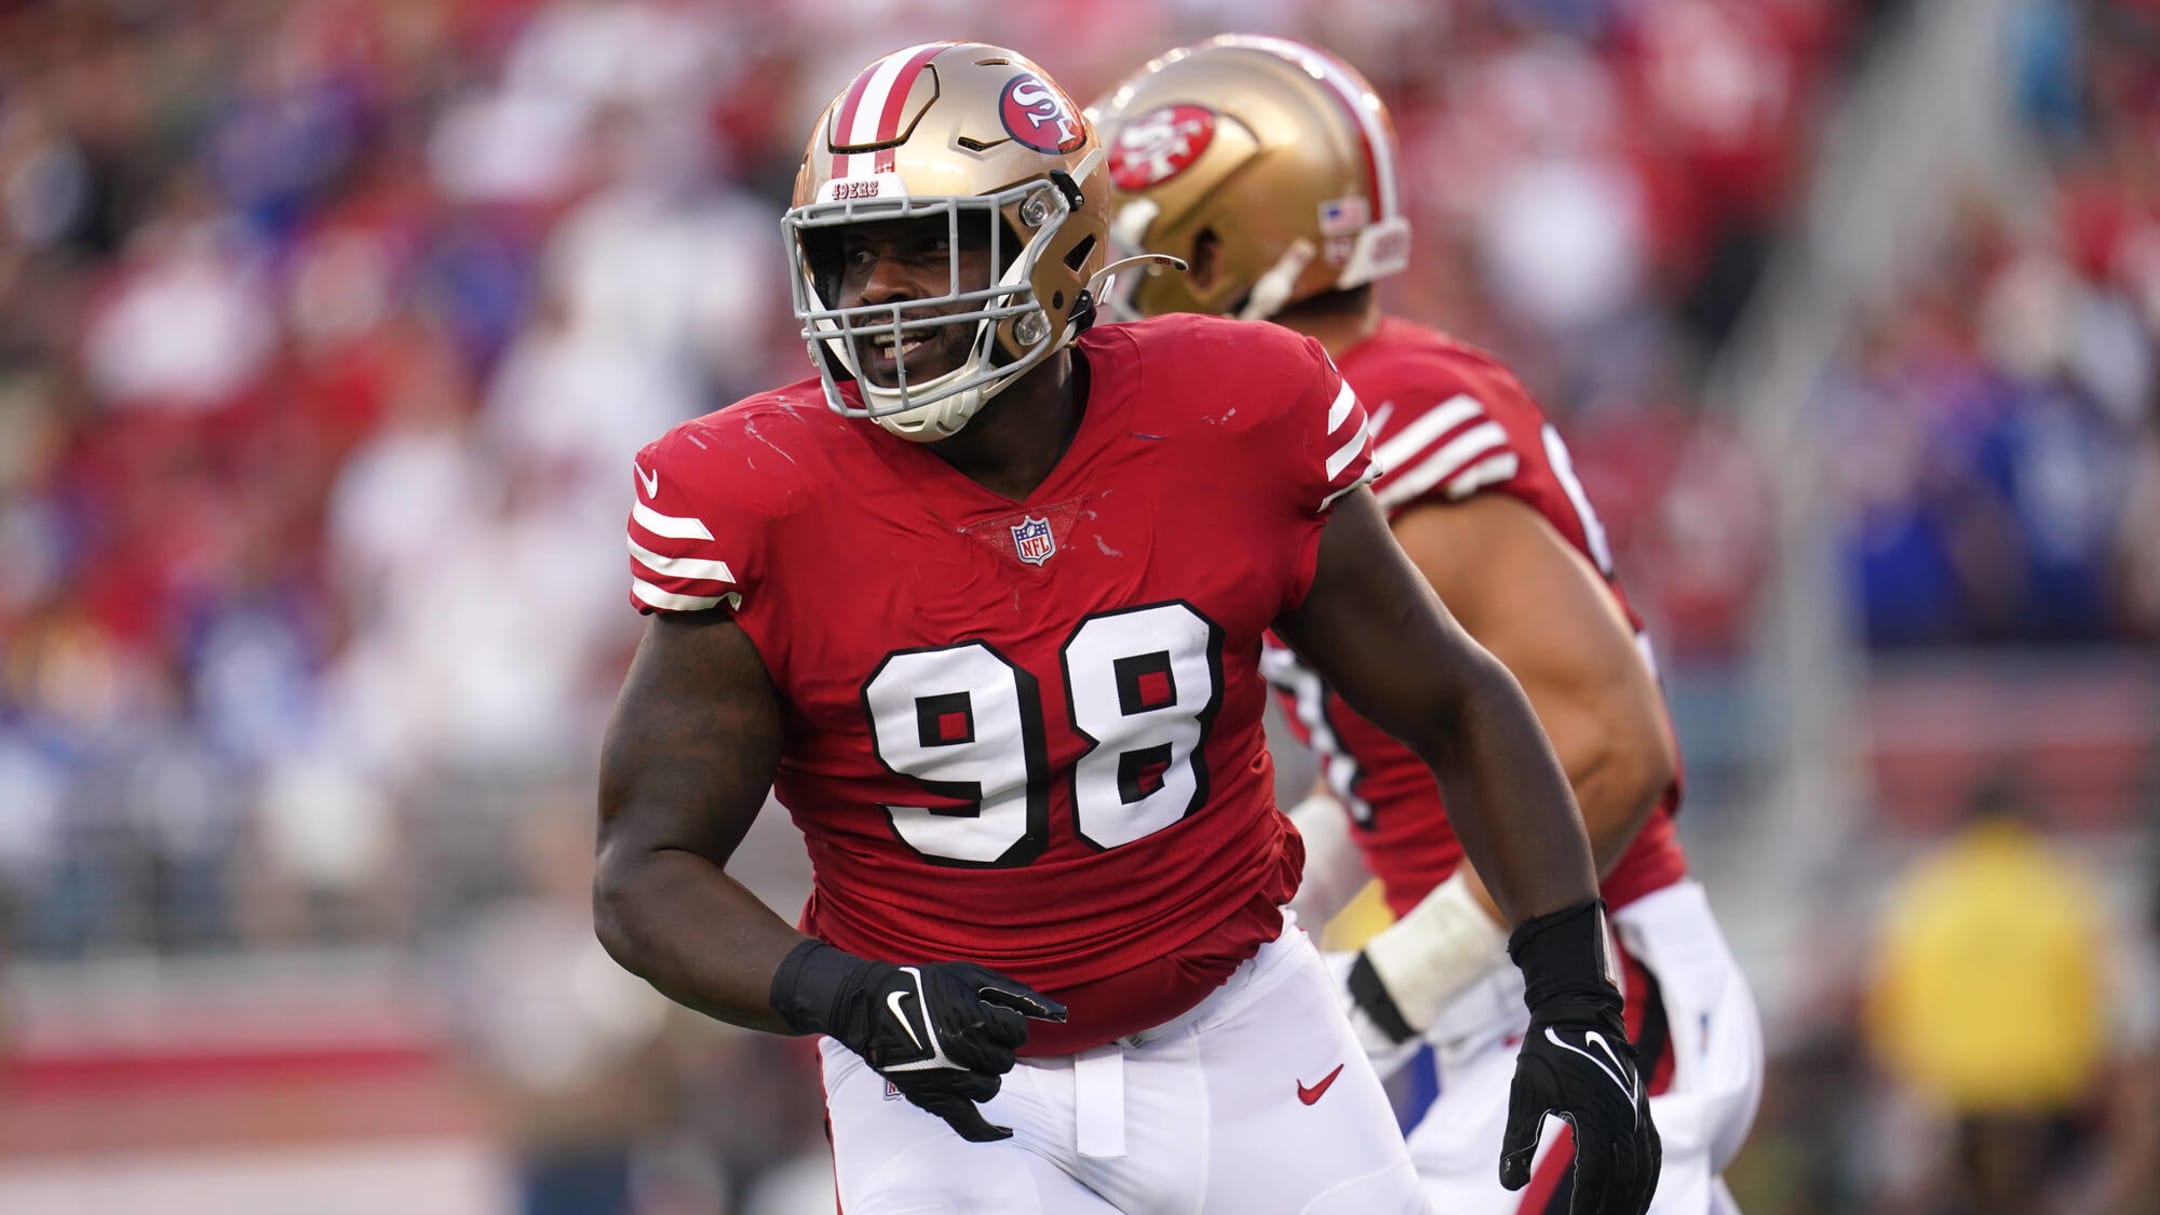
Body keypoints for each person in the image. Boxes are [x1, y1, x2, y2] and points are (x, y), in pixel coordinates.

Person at [594, 41, 1658, 1215]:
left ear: (1058, 246)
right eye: (849, 258)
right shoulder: (760, 496)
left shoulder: (1235, 415)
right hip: (947, 1080)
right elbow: (644, 871)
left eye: (925, 246)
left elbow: (1456, 703)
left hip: (1242, 1026)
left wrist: (1574, 1000)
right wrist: (851, 994)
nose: (879, 296)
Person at [1092, 35, 1760, 1215]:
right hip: (1490, 986)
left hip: (1584, 974)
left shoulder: (1390, 417)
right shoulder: (1306, 416)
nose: (1115, 300)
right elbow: (1386, 772)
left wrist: (1401, 979)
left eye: (1139, 257)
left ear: (1217, 248)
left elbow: (1613, 747)